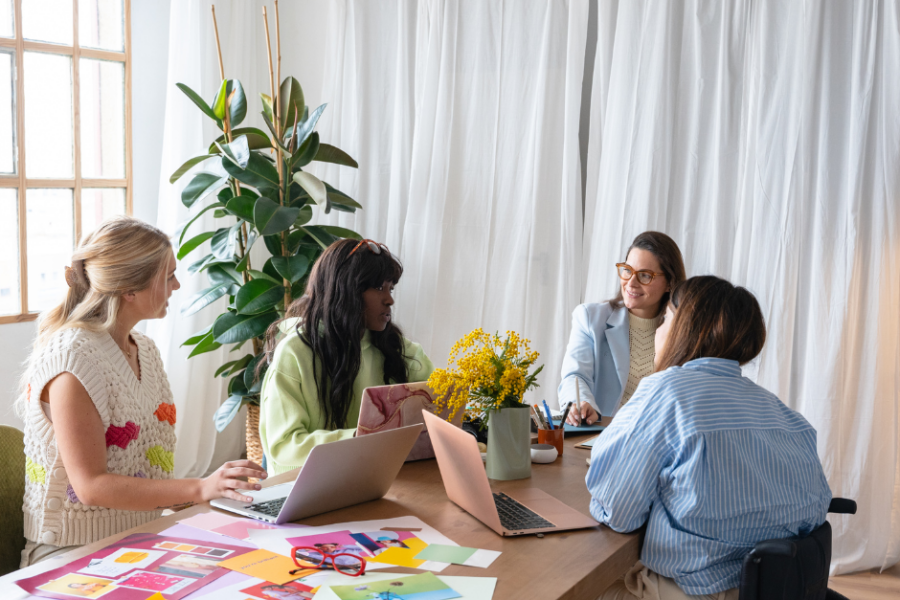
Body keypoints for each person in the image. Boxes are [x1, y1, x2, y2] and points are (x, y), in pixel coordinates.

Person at [17, 216, 267, 568]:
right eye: (168, 277)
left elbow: (145, 468)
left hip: (143, 536)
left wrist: (216, 493)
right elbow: (91, 486)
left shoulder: (144, 349)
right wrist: (198, 488)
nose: (177, 286)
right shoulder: (71, 359)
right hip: (71, 553)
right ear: (129, 290)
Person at [587, 276, 831, 600]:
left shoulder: (665, 392)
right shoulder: (783, 413)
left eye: (666, 320)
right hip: (778, 588)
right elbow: (813, 512)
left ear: (684, 329)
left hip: (695, 592)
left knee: (573, 585)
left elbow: (617, 512)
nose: (658, 331)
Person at [258, 238, 434, 475]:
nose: (389, 299)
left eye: (390, 288)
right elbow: (284, 447)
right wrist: (361, 439)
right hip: (311, 489)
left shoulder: (402, 350)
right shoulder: (295, 353)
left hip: (381, 481)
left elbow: (439, 412)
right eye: (378, 288)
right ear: (346, 289)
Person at [560, 231, 686, 424]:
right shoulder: (590, 317)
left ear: (669, 283)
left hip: (656, 439)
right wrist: (582, 402)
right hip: (600, 433)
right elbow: (575, 375)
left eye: (645, 275)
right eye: (627, 270)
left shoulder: (684, 332)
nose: (631, 283)